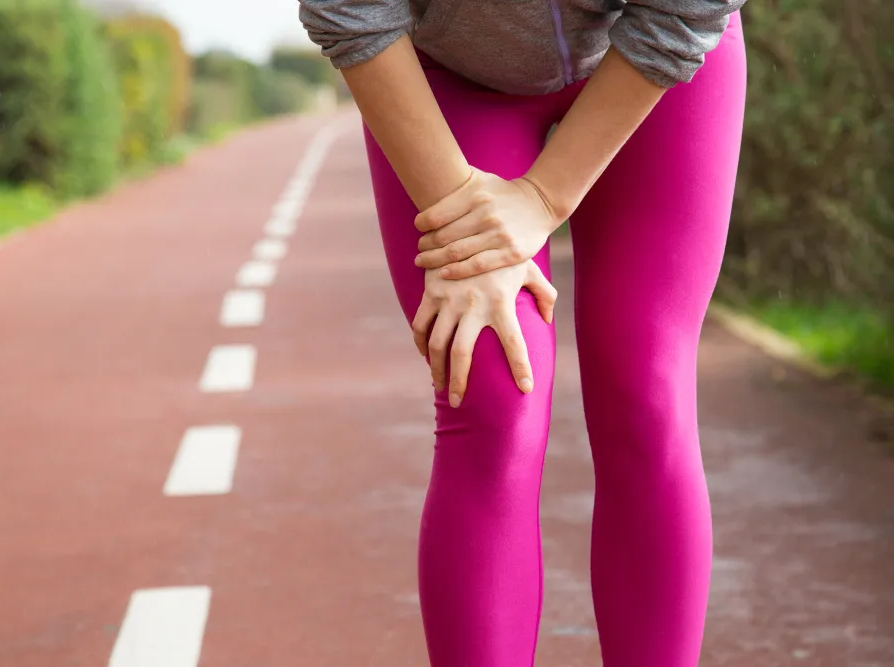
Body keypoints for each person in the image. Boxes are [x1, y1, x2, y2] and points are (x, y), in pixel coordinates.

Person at [297, 1, 747, 665]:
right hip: (448, 75)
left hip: (655, 54)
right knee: (490, 393)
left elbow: (686, 10)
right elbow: (348, 9)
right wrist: (469, 221)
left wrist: (542, 198)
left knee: (646, 391)